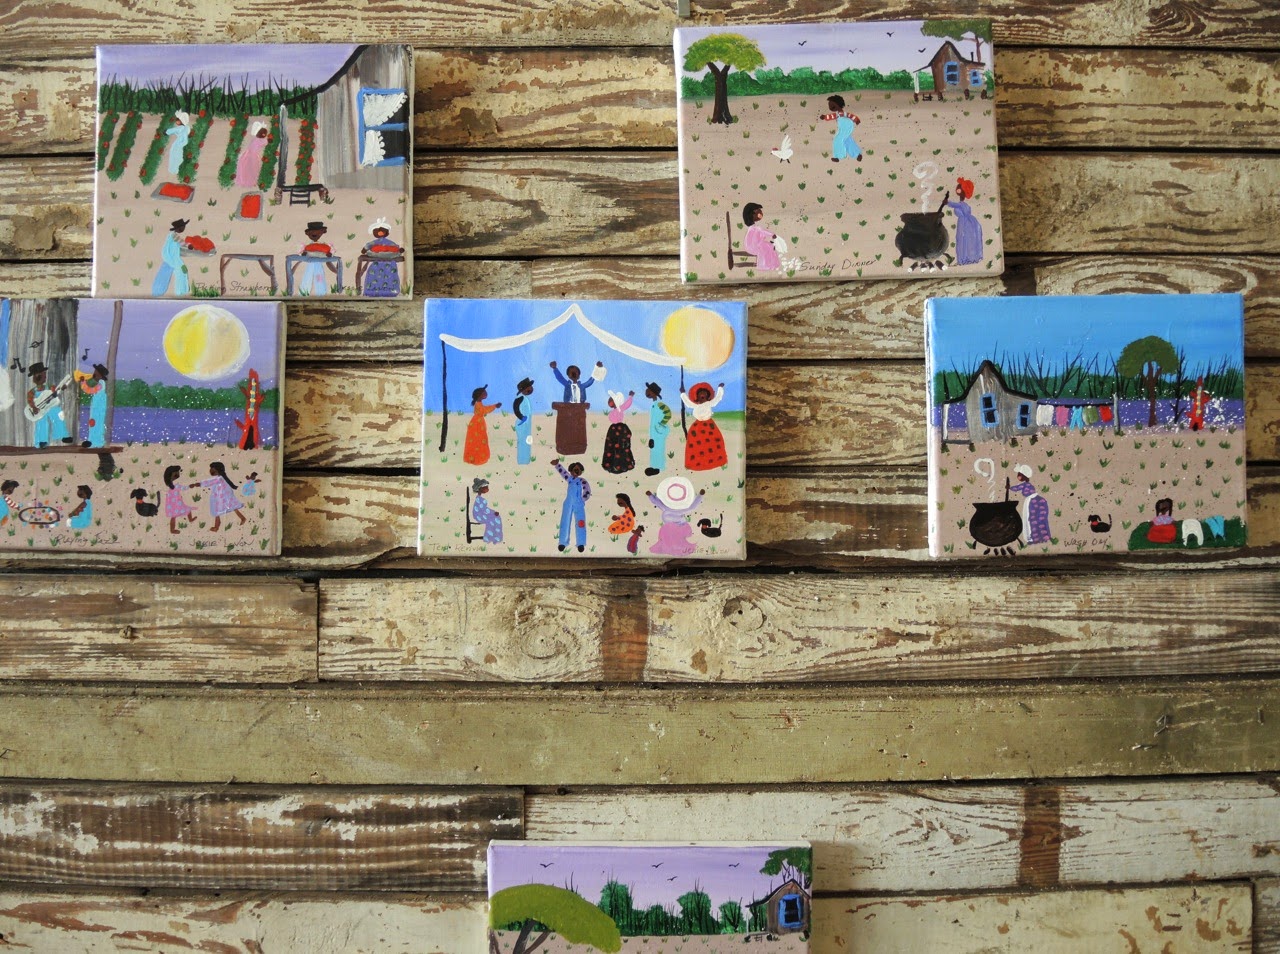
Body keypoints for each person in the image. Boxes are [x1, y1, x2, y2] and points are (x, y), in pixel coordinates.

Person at [646, 476, 705, 557]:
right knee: (669, 540)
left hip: (678, 528)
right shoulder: (669, 508)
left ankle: (675, 549)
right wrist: (650, 496)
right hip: (670, 529)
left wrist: (700, 496)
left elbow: (657, 502)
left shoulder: (671, 508)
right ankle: (670, 549)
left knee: (674, 540)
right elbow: (692, 507)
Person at [681, 381, 728, 471]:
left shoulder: (709, 403)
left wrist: (720, 388)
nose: (702, 396)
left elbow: (717, 398)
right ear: (697, 396)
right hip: (697, 427)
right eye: (700, 394)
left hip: (709, 426)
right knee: (696, 445)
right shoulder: (695, 405)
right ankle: (695, 463)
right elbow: (688, 403)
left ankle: (716, 462)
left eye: (704, 394)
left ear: (708, 396)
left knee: (713, 443)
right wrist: (683, 394)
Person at [190, 461, 247, 531]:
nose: (210, 471)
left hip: (221, 497)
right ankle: (241, 518)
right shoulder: (221, 478)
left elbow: (208, 482)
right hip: (222, 496)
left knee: (218, 509)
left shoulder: (219, 478)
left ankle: (217, 526)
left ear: (218, 470)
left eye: (213, 469)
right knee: (231, 507)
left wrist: (198, 484)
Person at [26, 363, 71, 448]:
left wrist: (61, 389)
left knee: (58, 414)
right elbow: (30, 400)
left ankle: (63, 435)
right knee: (42, 421)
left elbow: (56, 392)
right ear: (36, 376)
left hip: (49, 407)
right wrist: (34, 407)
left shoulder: (50, 387)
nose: (45, 376)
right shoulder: (33, 391)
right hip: (40, 410)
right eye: (43, 374)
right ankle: (41, 441)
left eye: (44, 374)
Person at [552, 458, 592, 553]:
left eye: (578, 470)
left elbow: (587, 490)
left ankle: (581, 543)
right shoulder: (569, 479)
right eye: (574, 469)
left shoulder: (582, 481)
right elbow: (563, 473)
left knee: (580, 522)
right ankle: (563, 542)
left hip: (579, 503)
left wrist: (583, 499)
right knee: (565, 521)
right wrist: (557, 465)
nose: (576, 471)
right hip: (568, 502)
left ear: (581, 471)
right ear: (571, 471)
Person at [360, 218, 403, 297]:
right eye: (378, 231)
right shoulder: (375, 242)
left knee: (389, 274)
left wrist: (398, 250)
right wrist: (364, 249)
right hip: (377, 262)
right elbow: (368, 245)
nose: (380, 232)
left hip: (389, 262)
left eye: (382, 230)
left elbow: (395, 247)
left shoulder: (389, 242)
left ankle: (390, 291)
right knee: (375, 274)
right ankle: (372, 290)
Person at [945, 177, 983, 265]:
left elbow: (956, 205)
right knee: (962, 239)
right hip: (964, 222)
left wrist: (948, 203)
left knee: (964, 239)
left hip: (965, 223)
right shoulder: (962, 204)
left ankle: (965, 258)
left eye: (959, 189)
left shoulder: (962, 204)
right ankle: (963, 258)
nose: (957, 190)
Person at [462, 385, 502, 466]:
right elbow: (484, 410)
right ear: (479, 395)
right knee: (477, 439)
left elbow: (485, 409)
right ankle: (477, 458)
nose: (486, 394)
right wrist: (495, 406)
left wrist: (494, 406)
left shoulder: (479, 403)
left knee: (479, 439)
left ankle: (478, 457)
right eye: (484, 393)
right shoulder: (478, 404)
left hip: (478, 423)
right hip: (477, 423)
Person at [1011, 464, 1051, 545]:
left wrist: (1009, 488)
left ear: (1022, 476)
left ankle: (1032, 538)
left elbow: (1016, 488)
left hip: (1032, 502)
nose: (1018, 477)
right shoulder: (1028, 484)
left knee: (1031, 519)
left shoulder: (1025, 484)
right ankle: (1042, 537)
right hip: (1038, 500)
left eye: (1019, 475)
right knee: (1039, 519)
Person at [151, 219, 191, 296]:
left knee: (181, 271)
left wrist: (188, 245)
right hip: (171, 260)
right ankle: (180, 291)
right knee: (179, 271)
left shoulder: (173, 236)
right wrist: (189, 245)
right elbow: (181, 242)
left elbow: (180, 244)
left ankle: (182, 290)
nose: (184, 228)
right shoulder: (173, 236)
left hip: (173, 259)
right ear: (179, 228)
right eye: (183, 227)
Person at [601, 390, 636, 474]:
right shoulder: (616, 410)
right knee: (612, 447)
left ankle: (620, 465)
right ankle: (613, 464)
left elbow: (627, 404)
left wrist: (630, 397)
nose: (609, 402)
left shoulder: (620, 408)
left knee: (620, 447)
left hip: (619, 430)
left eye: (611, 400)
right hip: (614, 430)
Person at [819, 95, 862, 163]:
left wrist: (856, 120)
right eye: (829, 105)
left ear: (838, 104)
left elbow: (850, 116)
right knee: (847, 140)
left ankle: (838, 156)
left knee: (838, 139)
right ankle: (857, 154)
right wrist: (825, 117)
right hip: (846, 127)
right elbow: (831, 116)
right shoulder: (839, 114)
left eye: (832, 105)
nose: (830, 107)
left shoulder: (841, 114)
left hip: (846, 127)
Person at [742, 203, 781, 271]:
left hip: (750, 246)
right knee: (769, 247)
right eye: (759, 212)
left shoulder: (752, 228)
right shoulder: (756, 228)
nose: (761, 213)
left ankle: (770, 264)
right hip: (755, 246)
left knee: (769, 246)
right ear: (753, 213)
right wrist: (772, 235)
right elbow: (764, 232)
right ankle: (766, 265)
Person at [297, 222, 333, 296]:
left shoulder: (324, 245)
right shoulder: (308, 246)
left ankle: (321, 292)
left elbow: (328, 252)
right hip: (310, 262)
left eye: (318, 232)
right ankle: (304, 291)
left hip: (318, 263)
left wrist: (328, 254)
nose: (314, 234)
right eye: (312, 232)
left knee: (319, 276)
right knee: (308, 276)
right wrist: (304, 253)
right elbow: (302, 252)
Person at [644, 382, 672, 477]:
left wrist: (661, 424)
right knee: (654, 448)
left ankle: (658, 467)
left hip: (659, 431)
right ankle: (654, 466)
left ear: (654, 393)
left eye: (649, 391)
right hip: (655, 432)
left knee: (658, 448)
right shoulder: (654, 404)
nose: (647, 392)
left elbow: (668, 413)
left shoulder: (659, 404)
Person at [78, 364, 109, 447]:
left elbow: (89, 390)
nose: (94, 373)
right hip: (97, 407)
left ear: (100, 375)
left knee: (96, 423)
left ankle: (96, 442)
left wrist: (83, 383)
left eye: (96, 372)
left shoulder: (101, 383)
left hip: (98, 408)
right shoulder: (100, 383)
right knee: (94, 423)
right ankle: (93, 440)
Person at [234, 121, 269, 188]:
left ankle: (248, 181)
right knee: (252, 168)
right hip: (252, 155)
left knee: (247, 168)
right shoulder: (259, 140)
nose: (264, 135)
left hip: (248, 154)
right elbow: (265, 142)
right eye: (263, 133)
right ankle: (250, 182)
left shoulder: (256, 139)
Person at [470, 477, 504, 544]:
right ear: (480, 489)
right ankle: (489, 538)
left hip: (482, 514)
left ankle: (495, 537)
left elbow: (484, 509)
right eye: (485, 487)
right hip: (479, 515)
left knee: (497, 517)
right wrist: (493, 513)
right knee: (492, 519)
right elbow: (483, 509)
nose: (487, 489)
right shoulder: (479, 498)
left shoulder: (480, 498)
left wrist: (493, 513)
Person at [164, 464, 195, 535]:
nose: (178, 475)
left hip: (175, 502)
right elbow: (183, 488)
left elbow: (182, 488)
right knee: (176, 515)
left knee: (184, 511)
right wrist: (189, 486)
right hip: (175, 503)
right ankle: (172, 529)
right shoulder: (175, 485)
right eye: (176, 474)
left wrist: (189, 486)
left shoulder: (173, 485)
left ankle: (190, 519)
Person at [512, 377, 535, 465]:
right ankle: (522, 461)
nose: (530, 389)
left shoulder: (524, 398)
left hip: (526, 424)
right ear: (524, 389)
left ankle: (525, 460)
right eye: (528, 388)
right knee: (523, 442)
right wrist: (521, 417)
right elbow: (516, 409)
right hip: (522, 424)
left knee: (527, 442)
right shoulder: (520, 398)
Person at [164, 110, 191, 176]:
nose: (176, 121)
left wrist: (166, 132)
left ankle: (173, 170)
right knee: (179, 156)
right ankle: (178, 169)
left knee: (174, 156)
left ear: (182, 121)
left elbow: (173, 130)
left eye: (177, 119)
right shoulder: (187, 128)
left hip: (178, 144)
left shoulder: (180, 128)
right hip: (182, 143)